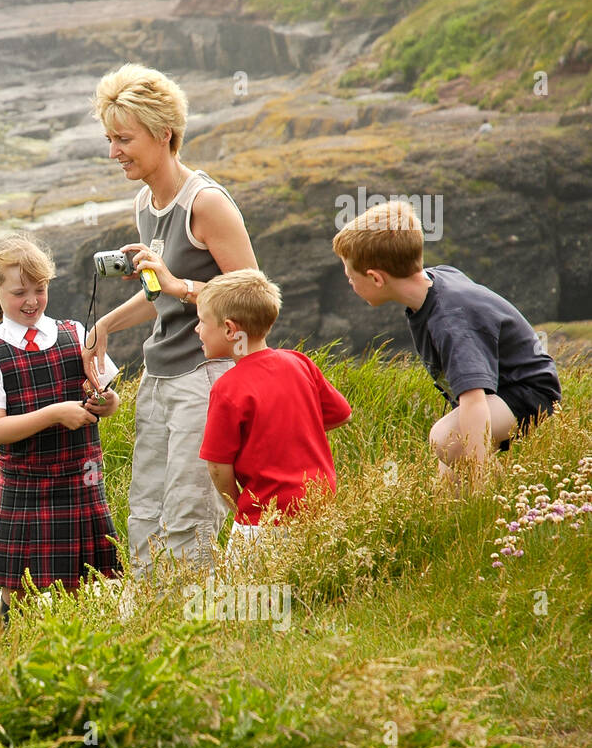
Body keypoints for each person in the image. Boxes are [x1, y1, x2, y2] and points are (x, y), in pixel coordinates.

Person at [82, 63, 259, 575]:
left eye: (123, 139)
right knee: (143, 509)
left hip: (206, 378)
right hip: (159, 375)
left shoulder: (206, 204)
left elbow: (251, 295)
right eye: (109, 138)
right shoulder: (145, 202)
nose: (113, 152)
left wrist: (176, 283)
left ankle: (193, 629)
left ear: (163, 134)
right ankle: (146, 619)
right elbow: (158, 292)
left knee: (188, 513)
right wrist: (105, 327)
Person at [333, 199, 560, 483]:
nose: (350, 284)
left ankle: (501, 495)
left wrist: (478, 478)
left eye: (350, 277)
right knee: (448, 490)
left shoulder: (450, 319)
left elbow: (475, 402)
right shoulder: (435, 282)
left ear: (376, 278)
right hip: (503, 390)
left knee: (445, 439)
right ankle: (488, 504)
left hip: (527, 393)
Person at [0, 235, 122, 624]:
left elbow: (111, 398)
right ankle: (7, 661)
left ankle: (77, 663)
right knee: (17, 594)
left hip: (81, 483)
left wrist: (107, 403)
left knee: (81, 591)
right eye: (20, 292)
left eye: (41, 289)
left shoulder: (75, 334)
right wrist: (55, 413)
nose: (32, 300)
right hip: (26, 489)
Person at [192, 269, 351, 562]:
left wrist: (237, 504)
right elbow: (341, 414)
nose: (197, 330)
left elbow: (217, 466)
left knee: (246, 598)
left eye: (201, 322)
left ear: (230, 330)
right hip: (320, 504)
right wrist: (291, 432)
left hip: (264, 516)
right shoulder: (299, 362)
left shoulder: (227, 388)